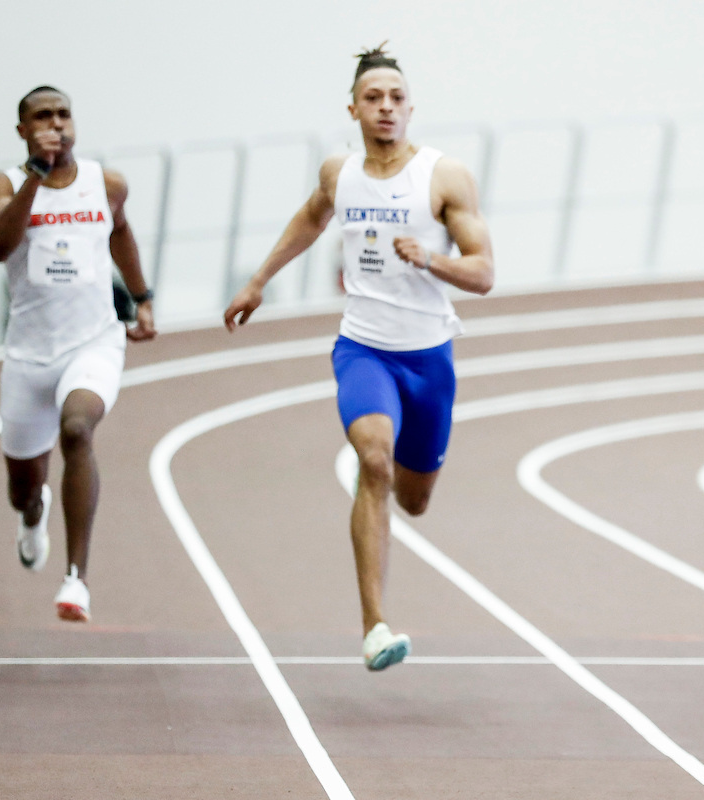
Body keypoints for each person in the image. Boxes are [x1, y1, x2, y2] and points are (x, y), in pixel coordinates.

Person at [224, 44, 495, 672]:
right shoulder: (337, 173)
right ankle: (374, 627)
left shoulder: (443, 177)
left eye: (397, 98)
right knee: (373, 458)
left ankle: (386, 475)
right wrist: (259, 280)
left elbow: (483, 274)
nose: (386, 108)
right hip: (363, 348)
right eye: (373, 98)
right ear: (353, 108)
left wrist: (433, 259)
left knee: (415, 498)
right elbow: (311, 218)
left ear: (411, 108)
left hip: (428, 360)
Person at [0, 86, 157, 622]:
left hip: (94, 342)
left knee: (78, 430)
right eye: (42, 116)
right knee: (22, 489)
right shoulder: (7, 184)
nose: (55, 122)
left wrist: (142, 297)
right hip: (29, 356)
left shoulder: (106, 183)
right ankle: (34, 516)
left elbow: (120, 233)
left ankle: (76, 578)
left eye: (62, 113)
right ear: (22, 130)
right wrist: (36, 174)